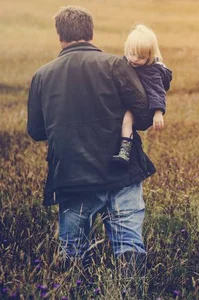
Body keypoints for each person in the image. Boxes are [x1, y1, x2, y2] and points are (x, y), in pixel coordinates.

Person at [26, 6, 155, 282]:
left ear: (59, 35)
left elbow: (36, 131)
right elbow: (143, 115)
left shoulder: (42, 76)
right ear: (91, 33)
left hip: (72, 178)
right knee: (129, 248)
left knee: (72, 253)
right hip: (121, 173)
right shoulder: (115, 65)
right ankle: (129, 293)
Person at [112, 24, 173, 165]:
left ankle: (124, 151)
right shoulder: (126, 63)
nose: (134, 59)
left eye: (141, 57)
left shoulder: (151, 71)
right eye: (132, 54)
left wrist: (158, 112)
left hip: (142, 106)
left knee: (127, 119)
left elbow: (157, 91)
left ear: (150, 56)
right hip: (128, 101)